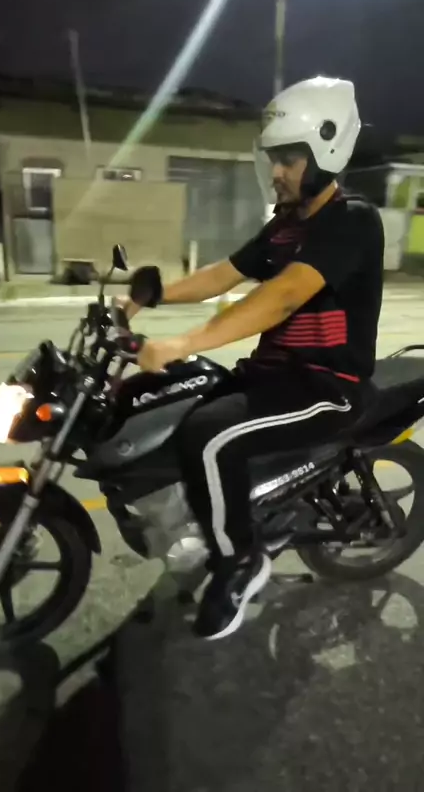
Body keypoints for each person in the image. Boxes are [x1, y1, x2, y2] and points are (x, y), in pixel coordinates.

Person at [125, 76, 384, 641]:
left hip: (327, 386)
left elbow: (282, 296)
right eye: (274, 159)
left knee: (209, 436)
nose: (277, 171)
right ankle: (210, 514)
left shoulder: (352, 221)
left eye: (289, 159)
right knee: (175, 399)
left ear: (327, 149)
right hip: (275, 373)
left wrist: (182, 342)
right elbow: (225, 273)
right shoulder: (288, 226)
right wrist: (150, 296)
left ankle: (240, 560)